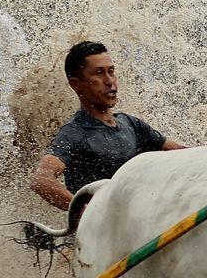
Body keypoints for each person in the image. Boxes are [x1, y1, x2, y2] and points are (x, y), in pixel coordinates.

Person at [30, 41, 186, 210]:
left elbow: (181, 152)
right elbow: (41, 180)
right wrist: (88, 214)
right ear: (76, 84)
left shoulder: (131, 124)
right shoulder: (74, 132)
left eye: (111, 72)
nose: (109, 81)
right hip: (102, 235)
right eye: (99, 74)